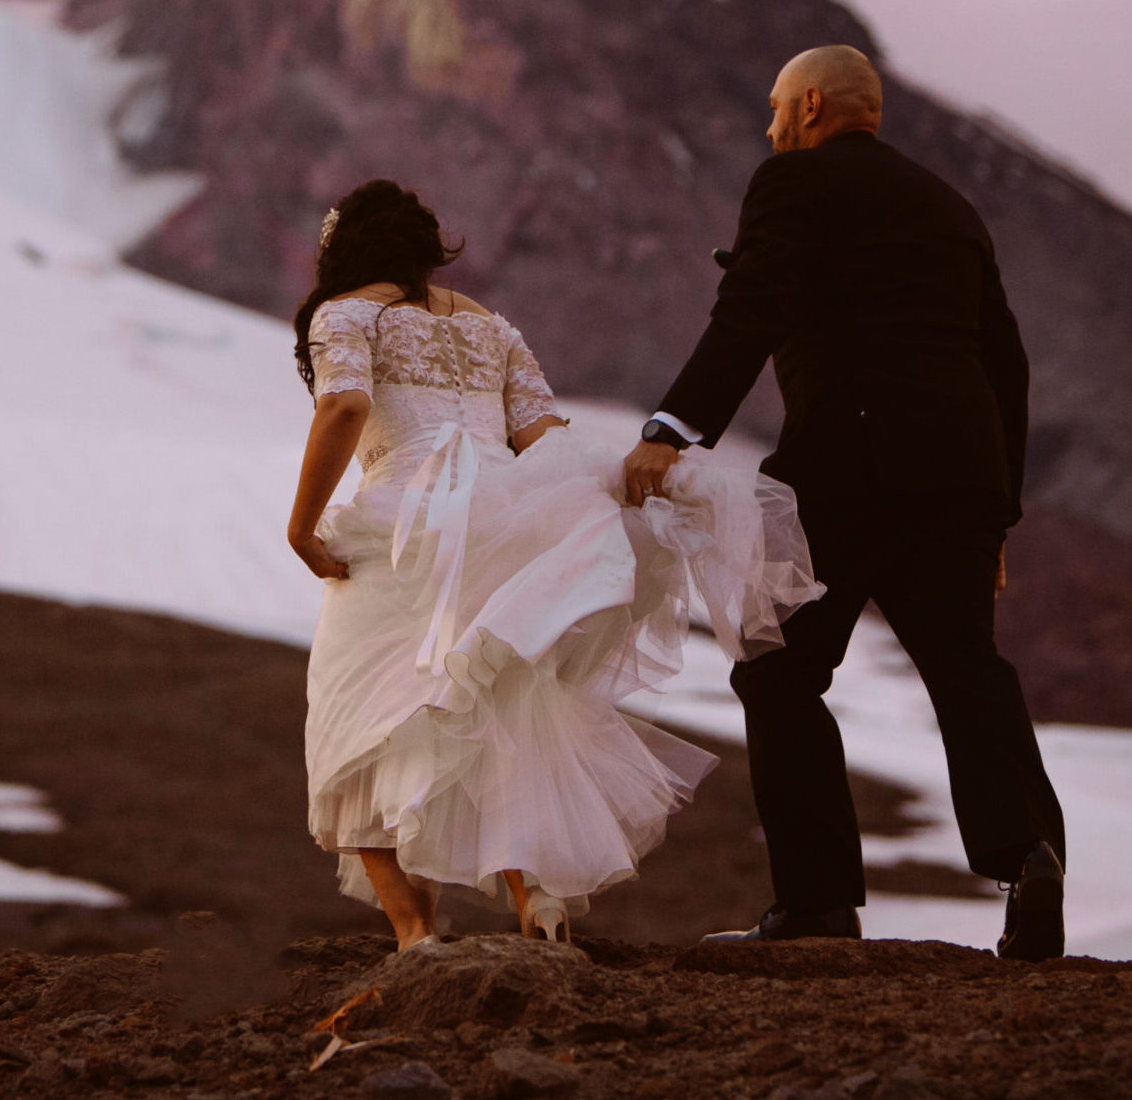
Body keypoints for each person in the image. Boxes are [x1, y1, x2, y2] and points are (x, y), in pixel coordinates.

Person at [288, 179, 824, 951]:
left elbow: (343, 407)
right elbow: (543, 435)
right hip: (503, 522)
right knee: (499, 711)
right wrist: (598, 496)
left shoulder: (343, 313)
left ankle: (414, 931)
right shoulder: (489, 327)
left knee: (356, 719)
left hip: (398, 529)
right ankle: (533, 894)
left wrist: (303, 527)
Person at [623, 45, 1066, 960]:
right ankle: (1026, 857)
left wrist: (670, 429)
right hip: (958, 480)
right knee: (967, 668)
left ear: (813, 104)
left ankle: (819, 902)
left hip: (844, 473)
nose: (771, 124)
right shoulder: (951, 207)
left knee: (777, 670)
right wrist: (999, 512)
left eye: (780, 106)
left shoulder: (792, 184)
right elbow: (1004, 364)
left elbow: (746, 309)